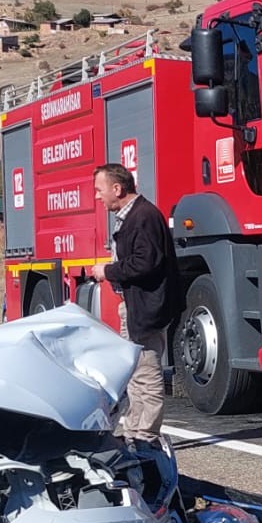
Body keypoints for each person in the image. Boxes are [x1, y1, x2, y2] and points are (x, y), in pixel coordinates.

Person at [95, 163, 181, 443]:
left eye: (100, 189)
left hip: (146, 307)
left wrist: (107, 271)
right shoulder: (133, 216)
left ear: (117, 189)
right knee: (134, 373)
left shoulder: (143, 216)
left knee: (146, 371)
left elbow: (146, 262)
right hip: (136, 306)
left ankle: (146, 434)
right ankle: (134, 431)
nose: (98, 196)